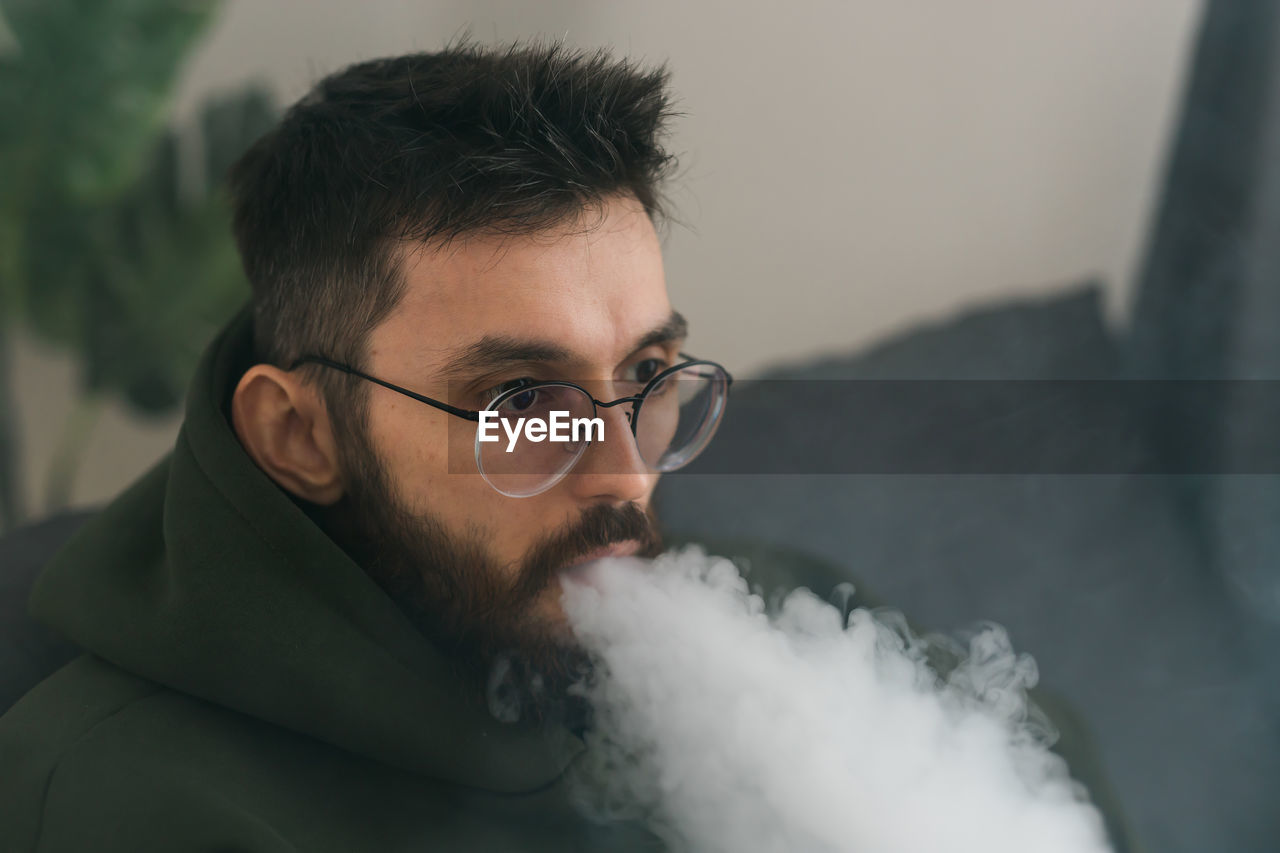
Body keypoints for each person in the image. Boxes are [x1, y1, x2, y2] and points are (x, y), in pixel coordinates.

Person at [0, 42, 1134, 852]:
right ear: (300, 435)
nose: (624, 476)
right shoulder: (118, 802)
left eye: (643, 377)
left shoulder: (757, 614)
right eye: (526, 402)